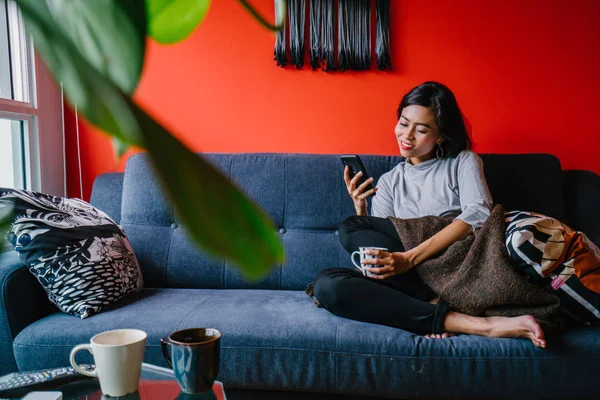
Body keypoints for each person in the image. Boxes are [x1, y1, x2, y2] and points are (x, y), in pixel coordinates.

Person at [312, 81, 547, 348]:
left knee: (350, 226)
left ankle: (436, 307)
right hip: (410, 277)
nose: (407, 135)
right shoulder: (389, 182)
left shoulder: (462, 161)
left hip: (457, 268)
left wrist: (409, 259)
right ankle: (465, 320)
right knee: (327, 285)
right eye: (403, 123)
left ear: (441, 136)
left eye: (421, 129)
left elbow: (479, 214)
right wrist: (361, 208)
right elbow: (378, 250)